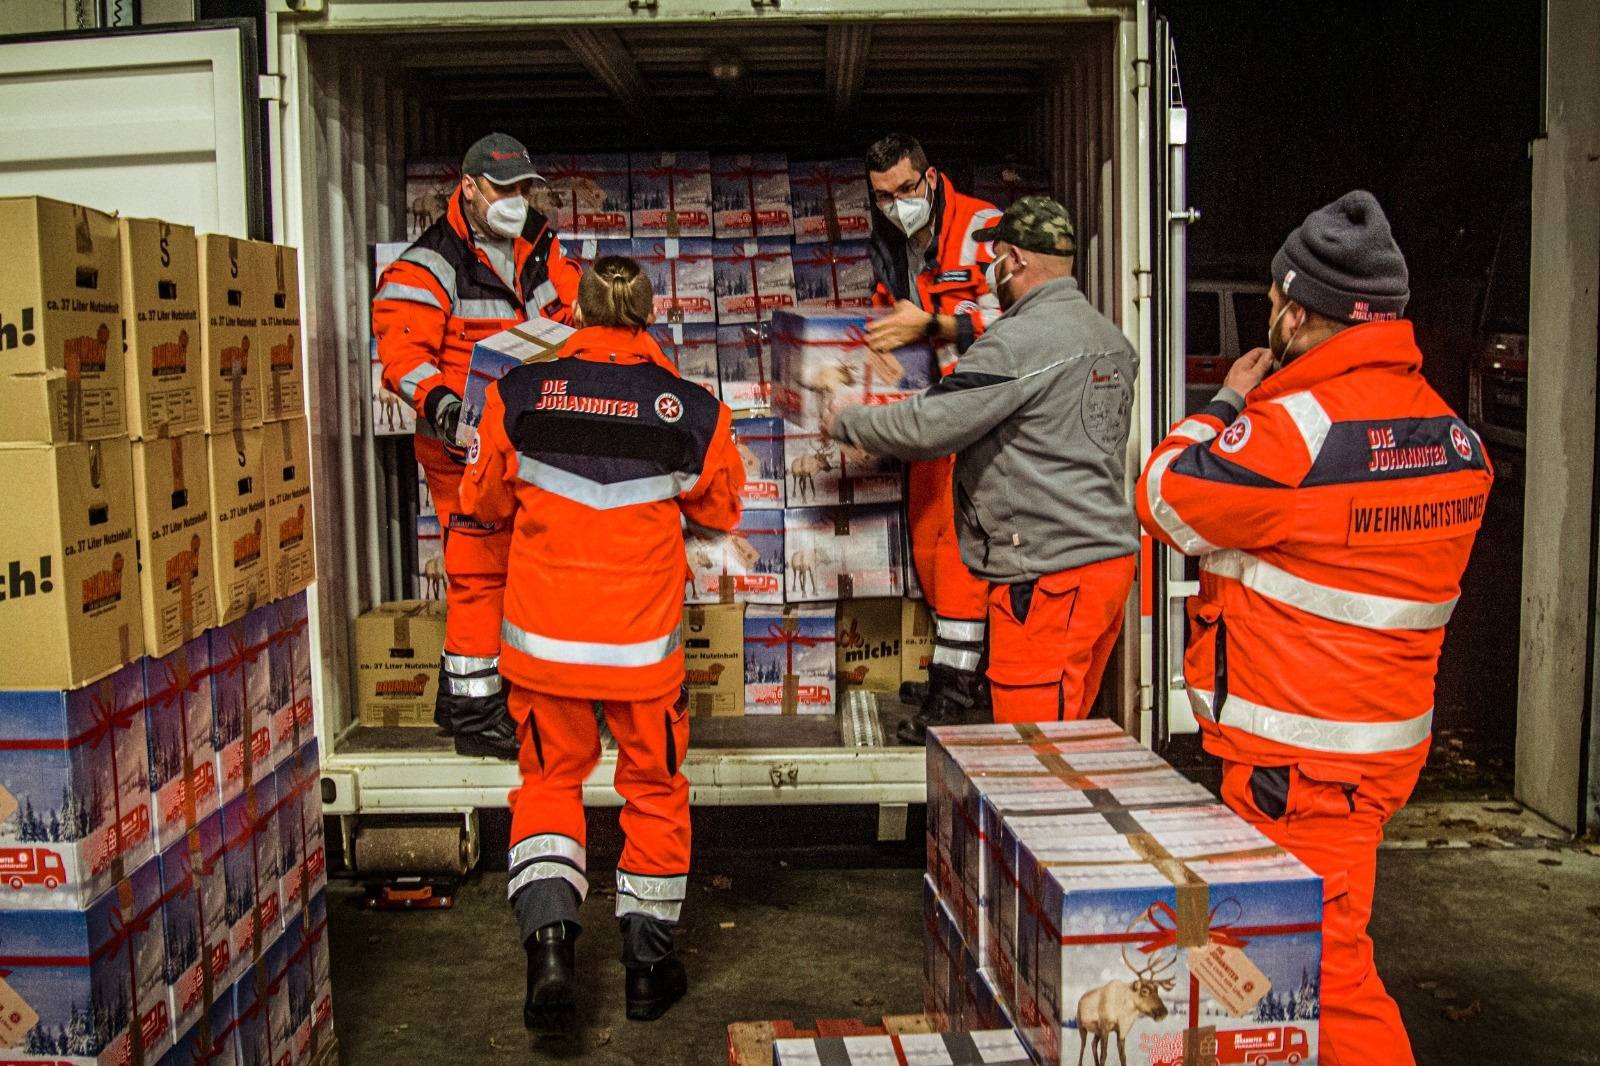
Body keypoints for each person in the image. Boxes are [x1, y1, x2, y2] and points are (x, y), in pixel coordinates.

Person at [1135, 190, 1493, 1065]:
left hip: (1299, 764)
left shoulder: (1293, 433)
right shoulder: (1451, 438)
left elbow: (1163, 498)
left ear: (1297, 309)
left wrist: (1221, 404)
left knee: (1327, 974)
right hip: (1376, 748)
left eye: (1275, 301)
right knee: (1257, 959)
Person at [459, 256, 744, 1031]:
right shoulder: (691, 410)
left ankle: (550, 952)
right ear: (650, 317)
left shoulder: (515, 395)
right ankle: (648, 970)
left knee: (549, 788)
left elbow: (481, 498)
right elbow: (721, 511)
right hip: (641, 654)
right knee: (653, 791)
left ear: (575, 313)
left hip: (543, 645)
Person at [826, 197, 1138, 724]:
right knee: (1069, 730)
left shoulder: (1016, 342)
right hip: (1105, 567)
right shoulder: (1110, 340)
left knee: (1034, 752)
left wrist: (842, 418)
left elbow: (930, 426)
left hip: (1051, 579)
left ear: (1013, 259)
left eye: (996, 260)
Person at [373, 132, 582, 758]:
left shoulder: (539, 249)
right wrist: (441, 405)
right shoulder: (426, 263)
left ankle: (478, 700)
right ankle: (473, 716)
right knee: (479, 576)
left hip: (527, 444)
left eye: (525, 188)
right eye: (505, 189)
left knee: (522, 573)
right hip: (463, 451)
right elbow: (402, 355)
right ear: (468, 187)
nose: (518, 200)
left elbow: (568, 315)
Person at [863, 132, 1004, 742]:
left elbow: (1022, 316)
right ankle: (960, 670)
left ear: (929, 176)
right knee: (926, 543)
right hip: (929, 417)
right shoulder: (891, 242)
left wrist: (938, 324)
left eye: (904, 190)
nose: (896, 204)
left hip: (979, 416)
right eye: (882, 197)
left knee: (957, 554)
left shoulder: (983, 224)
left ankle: (957, 687)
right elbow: (887, 311)